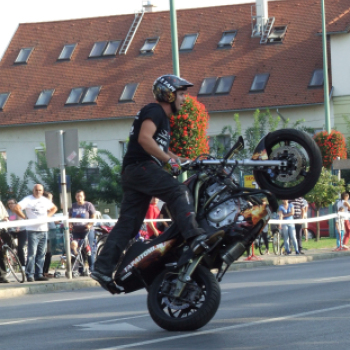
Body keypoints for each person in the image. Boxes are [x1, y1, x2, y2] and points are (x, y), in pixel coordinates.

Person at [91, 74, 223, 293]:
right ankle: (195, 237)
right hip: (141, 167)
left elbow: (159, 148)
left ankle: (103, 268)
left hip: (135, 171)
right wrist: (168, 160)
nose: (184, 99)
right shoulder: (155, 111)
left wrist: (182, 160)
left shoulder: (161, 117)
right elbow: (144, 139)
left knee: (129, 224)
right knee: (178, 191)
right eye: (181, 94)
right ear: (169, 94)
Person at [12, 184, 57, 282]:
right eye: (36, 190)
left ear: (42, 191)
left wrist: (47, 217)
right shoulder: (28, 199)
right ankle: (30, 274)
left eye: (40, 190)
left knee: (41, 253)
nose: (38, 192)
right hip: (32, 230)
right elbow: (16, 208)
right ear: (33, 190)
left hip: (43, 229)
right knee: (32, 253)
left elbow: (54, 208)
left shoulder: (45, 200)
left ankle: (39, 274)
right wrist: (25, 217)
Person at [69, 190, 96, 274]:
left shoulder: (88, 205)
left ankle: (92, 268)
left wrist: (89, 224)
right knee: (77, 249)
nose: (79, 198)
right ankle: (81, 269)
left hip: (87, 230)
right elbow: (69, 217)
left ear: (84, 196)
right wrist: (70, 224)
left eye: (80, 196)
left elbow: (93, 216)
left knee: (88, 249)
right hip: (76, 230)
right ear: (75, 197)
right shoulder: (73, 206)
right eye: (77, 196)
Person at [6, 198, 27, 271]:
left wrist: (18, 227)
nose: (10, 205)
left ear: (15, 203)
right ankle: (11, 264)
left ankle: (23, 265)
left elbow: (19, 218)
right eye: (9, 204)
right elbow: (6, 219)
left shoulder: (18, 210)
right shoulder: (8, 211)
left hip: (21, 230)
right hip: (12, 230)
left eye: (11, 203)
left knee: (20, 247)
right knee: (9, 245)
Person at [42, 192, 55, 277]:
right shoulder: (43, 208)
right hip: (45, 232)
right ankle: (43, 272)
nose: (51, 200)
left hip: (51, 232)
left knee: (49, 253)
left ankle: (46, 271)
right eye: (50, 198)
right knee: (45, 253)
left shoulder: (50, 208)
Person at [0, 201, 10, 283]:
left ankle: (2, 276)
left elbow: (5, 215)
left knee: (1, 253)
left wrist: (6, 220)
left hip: (1, 228)